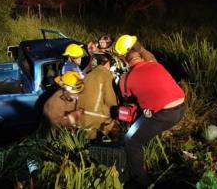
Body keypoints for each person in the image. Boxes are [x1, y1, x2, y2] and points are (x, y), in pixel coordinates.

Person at [115, 38, 186, 188]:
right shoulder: (155, 65)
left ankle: (141, 180)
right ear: (138, 51)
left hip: (164, 115)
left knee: (131, 140)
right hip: (181, 107)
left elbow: (128, 102)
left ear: (122, 57)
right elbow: (149, 56)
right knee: (145, 121)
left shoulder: (125, 80)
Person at [77, 51, 120, 140]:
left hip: (82, 116)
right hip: (97, 117)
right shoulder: (106, 75)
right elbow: (111, 102)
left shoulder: (89, 75)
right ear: (108, 62)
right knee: (118, 131)